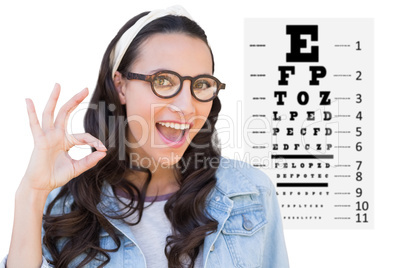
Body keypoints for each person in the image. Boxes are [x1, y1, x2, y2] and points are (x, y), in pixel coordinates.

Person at [3, 5, 289, 268]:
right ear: (121, 86)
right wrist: (32, 192)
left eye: (201, 84)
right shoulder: (65, 205)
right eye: (163, 80)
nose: (187, 107)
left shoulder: (251, 194)